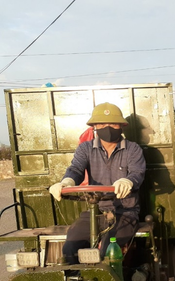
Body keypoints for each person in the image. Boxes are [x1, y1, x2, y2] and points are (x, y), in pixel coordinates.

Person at [49, 102, 146, 264]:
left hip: (125, 213)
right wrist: (66, 182)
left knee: (109, 250)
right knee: (70, 247)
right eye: (101, 124)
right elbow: (76, 169)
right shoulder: (85, 149)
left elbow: (137, 173)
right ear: (94, 126)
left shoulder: (133, 149)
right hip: (96, 212)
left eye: (112, 123)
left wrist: (127, 181)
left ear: (121, 126)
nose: (106, 128)